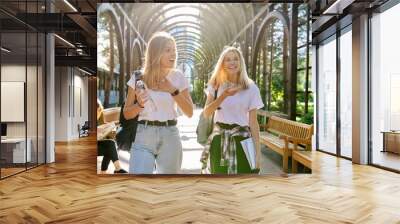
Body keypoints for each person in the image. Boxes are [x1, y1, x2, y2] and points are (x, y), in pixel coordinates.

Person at [123, 32, 193, 174]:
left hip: (170, 134)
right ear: (156, 53)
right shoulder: (138, 77)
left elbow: (190, 112)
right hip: (144, 134)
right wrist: (140, 105)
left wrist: (173, 90)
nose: (173, 54)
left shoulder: (178, 77)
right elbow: (126, 114)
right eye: (167, 50)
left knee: (168, 187)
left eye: (174, 49)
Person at [201, 46, 264, 174]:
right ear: (222, 64)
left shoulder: (251, 88)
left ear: (241, 62)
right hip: (219, 140)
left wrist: (257, 152)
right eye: (228, 60)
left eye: (235, 59)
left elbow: (253, 123)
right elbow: (206, 113)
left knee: (244, 181)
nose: (232, 62)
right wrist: (224, 96)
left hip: (243, 140)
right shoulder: (216, 84)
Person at [97, 99, 127, 174]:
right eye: (97, 111)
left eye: (100, 111)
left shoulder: (101, 118)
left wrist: (112, 130)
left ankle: (104, 172)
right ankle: (117, 169)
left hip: (99, 143)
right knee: (110, 146)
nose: (99, 113)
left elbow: (106, 135)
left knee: (110, 144)